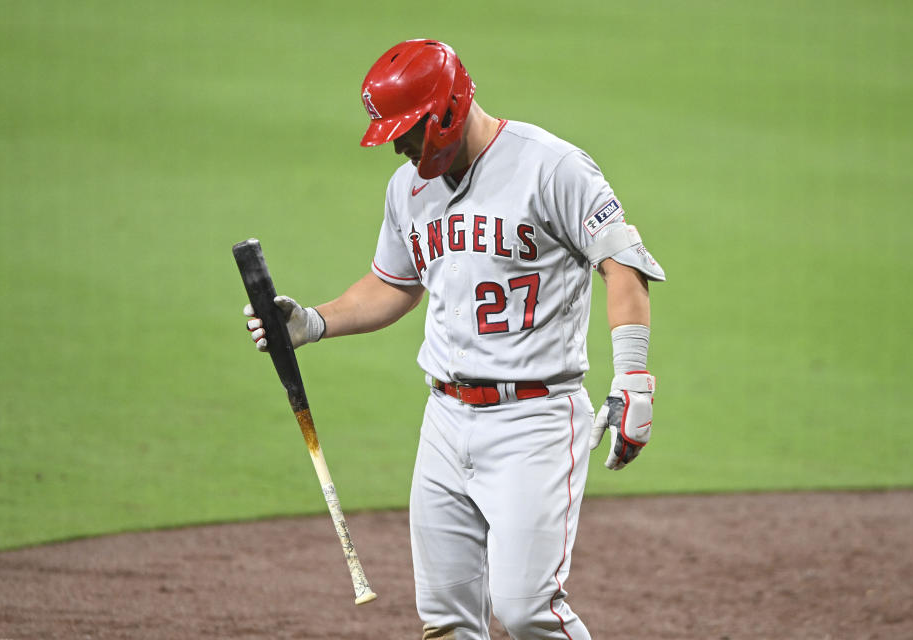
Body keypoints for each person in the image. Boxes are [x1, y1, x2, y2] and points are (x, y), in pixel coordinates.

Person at [244, 39, 665, 640]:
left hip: (534, 420)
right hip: (444, 420)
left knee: (527, 611)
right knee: (444, 620)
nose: (399, 146)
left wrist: (633, 380)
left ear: (445, 110)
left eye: (408, 130)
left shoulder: (551, 166)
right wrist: (313, 322)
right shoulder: (406, 189)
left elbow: (623, 264)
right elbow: (395, 284)